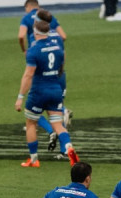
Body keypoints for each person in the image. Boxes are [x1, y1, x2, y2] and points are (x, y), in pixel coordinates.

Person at [15, 10, 77, 166]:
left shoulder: (34, 50)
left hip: (38, 91)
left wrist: (20, 96)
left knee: (31, 123)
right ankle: (70, 150)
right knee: (58, 124)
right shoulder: (57, 46)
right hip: (56, 88)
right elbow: (62, 62)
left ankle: (34, 159)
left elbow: (28, 75)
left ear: (35, 32)